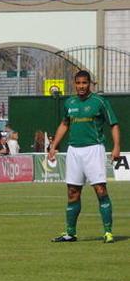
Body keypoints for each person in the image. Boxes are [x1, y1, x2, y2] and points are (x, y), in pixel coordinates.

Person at [48, 70, 121, 243]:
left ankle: (108, 232)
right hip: (74, 151)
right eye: (78, 83)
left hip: (93, 149)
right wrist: (53, 146)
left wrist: (116, 147)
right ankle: (70, 233)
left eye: (85, 83)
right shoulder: (69, 103)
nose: (81, 86)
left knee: (101, 190)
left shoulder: (100, 102)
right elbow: (64, 124)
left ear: (90, 84)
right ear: (74, 84)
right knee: (72, 193)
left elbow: (114, 124)